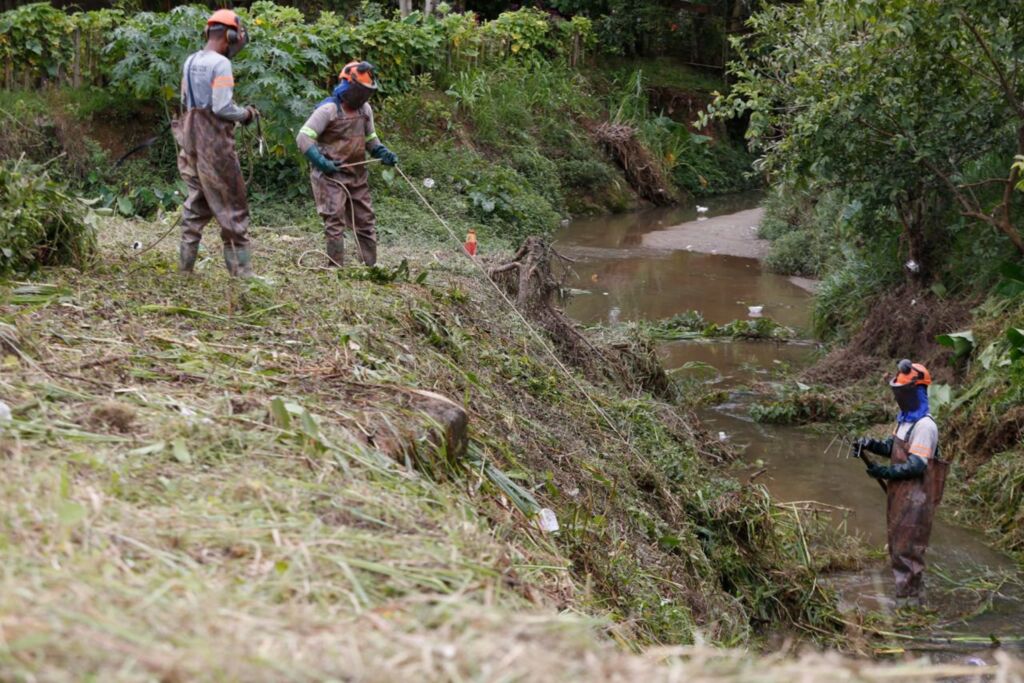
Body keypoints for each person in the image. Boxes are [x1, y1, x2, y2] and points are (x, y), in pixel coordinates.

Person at [853, 360, 948, 605]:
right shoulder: (905, 420)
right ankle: (909, 591)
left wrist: (884, 472)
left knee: (908, 547)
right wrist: (870, 445)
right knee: (896, 542)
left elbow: (917, 465)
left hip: (917, 496)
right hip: (900, 493)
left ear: (916, 391)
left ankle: (909, 602)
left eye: (904, 392)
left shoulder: (925, 426)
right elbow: (893, 448)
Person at [172, 9, 259, 277]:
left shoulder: (191, 61)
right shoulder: (221, 64)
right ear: (231, 37)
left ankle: (185, 269)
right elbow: (222, 107)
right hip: (215, 145)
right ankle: (242, 275)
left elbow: (187, 101)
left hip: (191, 139)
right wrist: (245, 114)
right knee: (233, 206)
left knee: (197, 203)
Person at [295, 61, 398, 267]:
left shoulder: (365, 110)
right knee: (334, 221)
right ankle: (335, 267)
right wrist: (321, 163)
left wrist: (381, 152)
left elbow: (370, 139)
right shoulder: (328, 110)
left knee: (365, 220)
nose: (363, 97)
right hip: (330, 176)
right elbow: (303, 138)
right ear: (348, 85)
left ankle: (369, 265)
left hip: (357, 174)